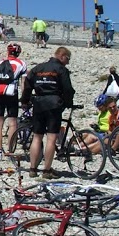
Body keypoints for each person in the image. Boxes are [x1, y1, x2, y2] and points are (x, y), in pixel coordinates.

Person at [20, 47, 75, 178]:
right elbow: (68, 89)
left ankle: (32, 168)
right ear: (62, 56)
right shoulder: (61, 70)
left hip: (38, 103)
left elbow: (27, 85)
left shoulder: (37, 69)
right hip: (54, 104)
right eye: (67, 59)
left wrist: (25, 101)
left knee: (37, 136)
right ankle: (46, 170)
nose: (68, 62)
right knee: (51, 138)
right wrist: (68, 103)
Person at [0, 43, 27, 157]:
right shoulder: (21, 63)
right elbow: (23, 83)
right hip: (12, 93)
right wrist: (24, 97)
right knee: (12, 123)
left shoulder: (0, 62)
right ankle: (10, 150)